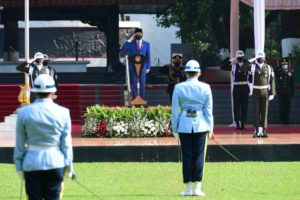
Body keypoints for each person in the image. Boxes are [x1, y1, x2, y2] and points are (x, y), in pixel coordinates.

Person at [13, 74, 75, 199]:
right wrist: (69, 167)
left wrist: (18, 166)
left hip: (31, 163)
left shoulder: (23, 112)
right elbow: (66, 144)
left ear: (34, 92)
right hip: (55, 162)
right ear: (53, 91)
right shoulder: (63, 112)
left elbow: (20, 144)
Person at [172, 60, 213, 196]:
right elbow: (208, 110)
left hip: (184, 124)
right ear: (199, 73)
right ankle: (197, 188)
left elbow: (175, 111)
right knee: (199, 156)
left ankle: (188, 188)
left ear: (185, 73)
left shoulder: (178, 87)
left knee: (187, 156)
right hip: (201, 124)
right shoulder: (206, 87)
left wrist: (175, 129)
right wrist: (210, 127)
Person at [240, 50, 276, 137]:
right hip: (255, 91)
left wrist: (272, 93)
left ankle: (263, 130)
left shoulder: (268, 67)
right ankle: (256, 130)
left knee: (264, 111)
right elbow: (242, 68)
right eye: (259, 57)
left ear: (264, 58)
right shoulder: (252, 67)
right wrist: (252, 59)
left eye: (262, 57)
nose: (260, 59)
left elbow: (272, 80)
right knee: (256, 111)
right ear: (257, 58)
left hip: (265, 92)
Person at [222, 50, 251, 129]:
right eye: (238, 57)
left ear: (243, 57)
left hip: (245, 87)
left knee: (244, 106)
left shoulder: (248, 65)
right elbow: (222, 66)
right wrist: (233, 58)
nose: (240, 58)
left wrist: (250, 88)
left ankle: (243, 123)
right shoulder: (233, 65)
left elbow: (251, 77)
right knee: (236, 106)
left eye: (241, 57)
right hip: (237, 87)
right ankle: (237, 123)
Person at [120, 28, 151, 100]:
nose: (138, 34)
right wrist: (129, 40)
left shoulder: (146, 44)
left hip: (143, 67)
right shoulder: (131, 43)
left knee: (142, 84)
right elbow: (123, 49)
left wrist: (148, 67)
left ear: (142, 34)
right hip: (133, 67)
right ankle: (134, 100)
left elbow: (148, 56)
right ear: (135, 34)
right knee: (134, 84)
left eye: (140, 33)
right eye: (137, 33)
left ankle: (142, 99)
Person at [275, 58, 294, 124]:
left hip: (288, 91)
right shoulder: (279, 71)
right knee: (281, 106)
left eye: (285, 65)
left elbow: (292, 82)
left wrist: (292, 91)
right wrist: (278, 67)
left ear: (287, 65)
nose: (284, 66)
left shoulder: (290, 72)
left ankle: (287, 119)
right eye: (283, 65)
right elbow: (275, 73)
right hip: (281, 91)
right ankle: (281, 119)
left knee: (288, 106)